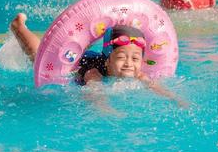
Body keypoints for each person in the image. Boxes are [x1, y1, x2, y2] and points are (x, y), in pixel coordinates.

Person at [10, 13, 188, 112]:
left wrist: (175, 99)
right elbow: (94, 92)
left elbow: (154, 86)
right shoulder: (93, 72)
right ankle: (19, 28)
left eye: (135, 59)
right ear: (109, 59)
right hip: (79, 63)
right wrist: (104, 108)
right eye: (121, 57)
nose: (128, 63)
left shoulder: (137, 72)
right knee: (38, 55)